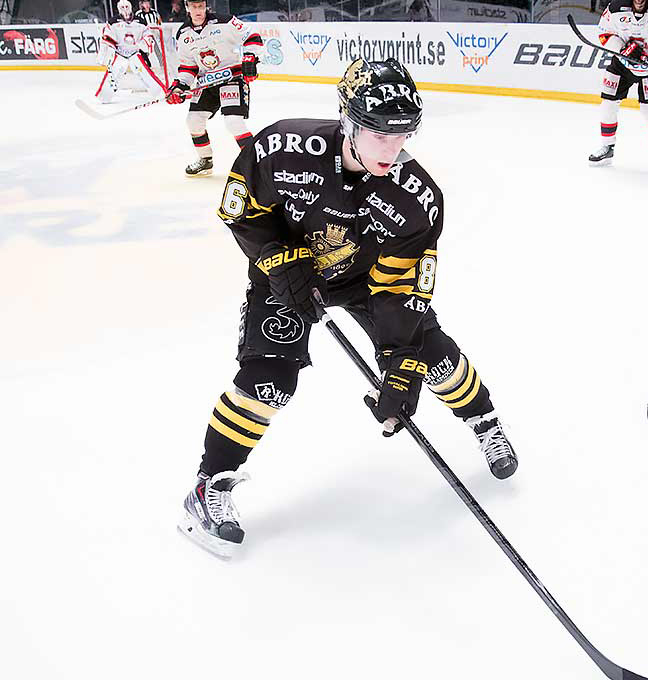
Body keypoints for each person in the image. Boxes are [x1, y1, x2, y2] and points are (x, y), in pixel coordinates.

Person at [178, 58, 519, 558]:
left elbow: (403, 281)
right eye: (381, 134)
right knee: (269, 380)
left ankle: (484, 421)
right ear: (350, 121)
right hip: (290, 273)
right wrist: (275, 258)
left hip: (368, 280)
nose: (394, 148)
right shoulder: (282, 148)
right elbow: (239, 209)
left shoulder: (415, 197)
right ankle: (209, 486)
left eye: (404, 134)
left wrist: (402, 360)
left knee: (433, 357)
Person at [165, 0, 263, 177]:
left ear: (206, 6)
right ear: (187, 7)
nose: (198, 10)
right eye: (193, 7)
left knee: (233, 122)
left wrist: (250, 56)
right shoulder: (183, 34)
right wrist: (180, 86)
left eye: (201, 6)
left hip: (231, 79)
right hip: (205, 84)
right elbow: (188, 67)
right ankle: (205, 160)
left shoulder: (225, 22)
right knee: (193, 121)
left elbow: (253, 36)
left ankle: (256, 163)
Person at [588, 0, 648, 174]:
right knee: (607, 105)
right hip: (621, 64)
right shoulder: (615, 8)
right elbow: (604, 32)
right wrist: (622, 49)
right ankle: (607, 147)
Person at [94, 0, 167, 103]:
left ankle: (158, 93)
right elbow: (107, 38)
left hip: (135, 53)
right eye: (122, 7)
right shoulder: (113, 22)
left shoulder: (140, 21)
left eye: (127, 7)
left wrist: (143, 44)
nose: (125, 9)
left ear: (131, 7)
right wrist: (105, 54)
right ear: (119, 9)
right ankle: (104, 97)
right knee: (113, 75)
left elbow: (148, 35)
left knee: (145, 74)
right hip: (120, 54)